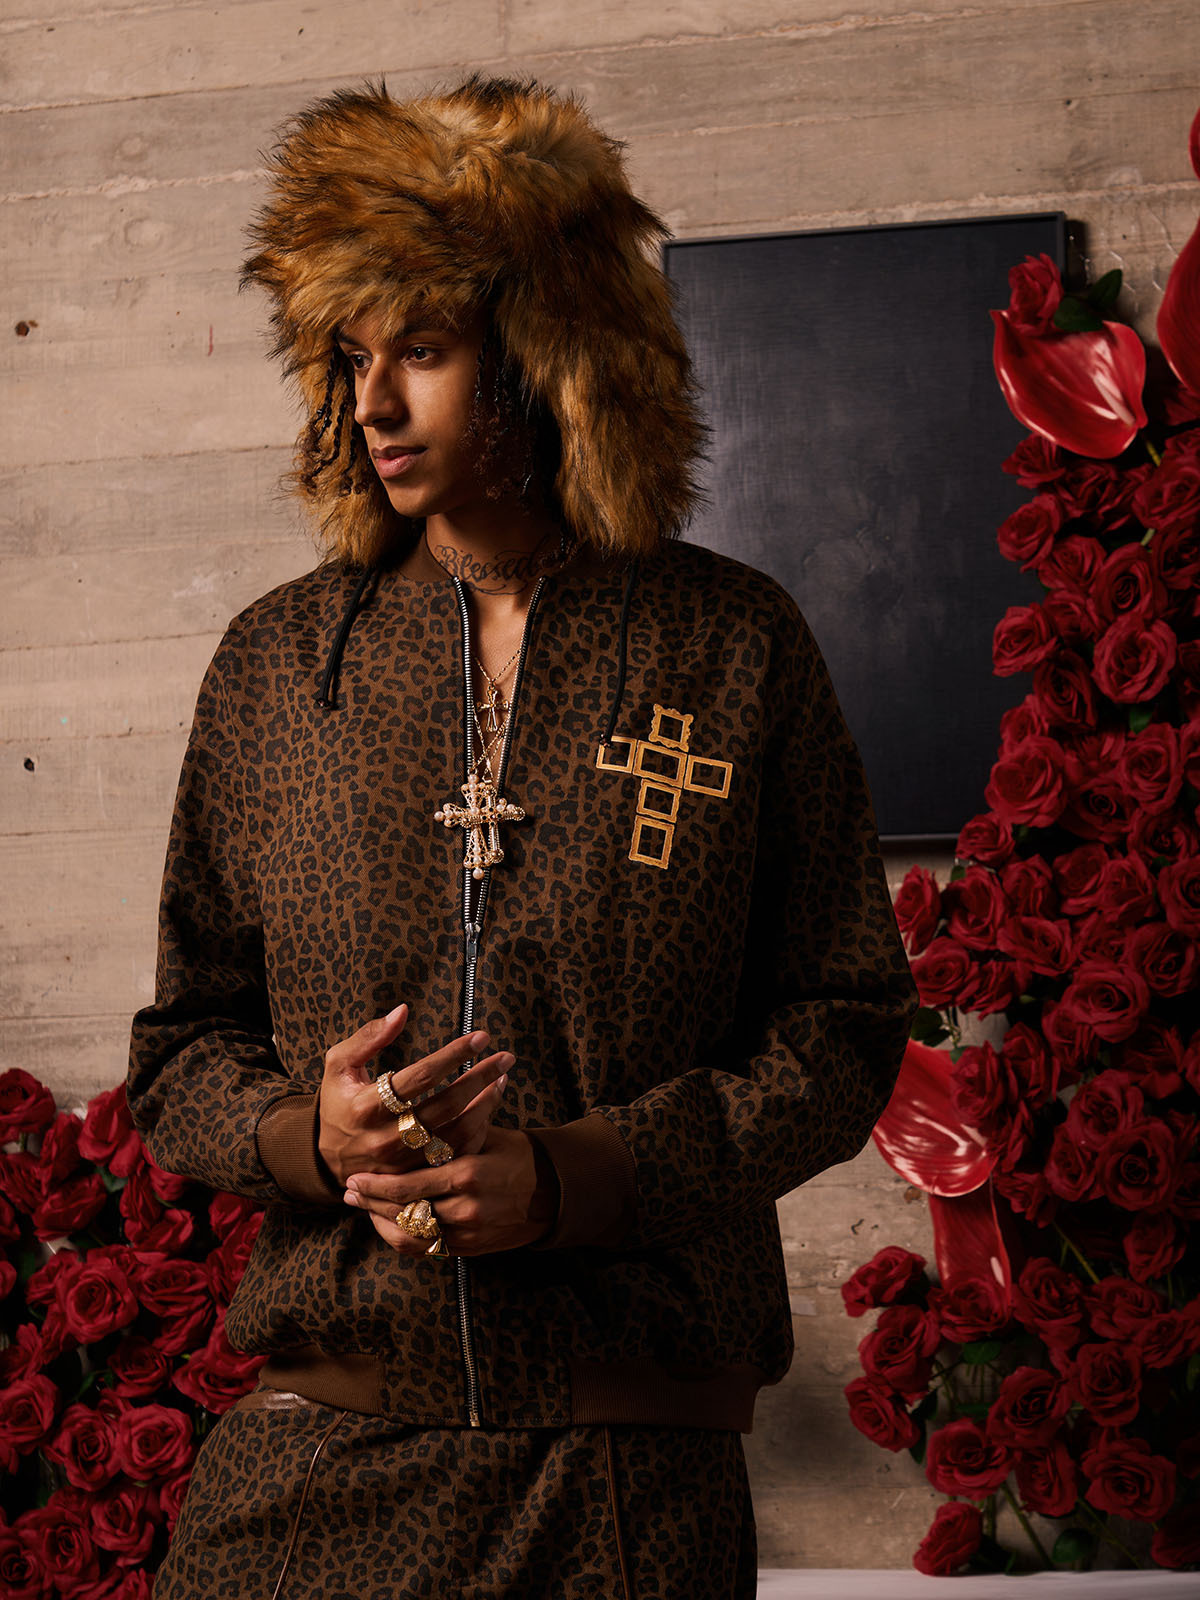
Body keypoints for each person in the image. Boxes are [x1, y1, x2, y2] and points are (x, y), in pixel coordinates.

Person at [127, 74, 917, 1600]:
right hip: (321, 1463)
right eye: (350, 357)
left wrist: (577, 1177)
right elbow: (181, 1049)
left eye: (422, 350)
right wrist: (308, 1137)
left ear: (549, 352)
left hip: (626, 1485)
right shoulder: (280, 666)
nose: (372, 402)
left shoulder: (730, 643)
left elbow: (843, 1027)